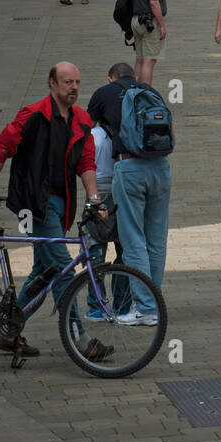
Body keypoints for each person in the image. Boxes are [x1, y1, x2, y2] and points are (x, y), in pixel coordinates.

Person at [0, 63, 111, 363]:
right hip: (32, 204)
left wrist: (94, 200)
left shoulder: (81, 119)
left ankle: (9, 331)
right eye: (67, 82)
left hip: (61, 203)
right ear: (52, 83)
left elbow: (86, 162)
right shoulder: (33, 115)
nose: (74, 87)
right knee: (63, 269)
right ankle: (80, 339)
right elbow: (2, 148)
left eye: (77, 82)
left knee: (45, 269)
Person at [110, 64, 172, 325]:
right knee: (156, 241)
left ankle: (145, 308)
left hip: (130, 167)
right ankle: (154, 304)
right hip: (161, 167)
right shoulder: (151, 92)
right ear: (134, 77)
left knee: (133, 239)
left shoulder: (107, 93)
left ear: (111, 78)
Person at [84, 63, 136, 320]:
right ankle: (122, 305)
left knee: (95, 249)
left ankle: (96, 307)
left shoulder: (92, 135)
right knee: (123, 248)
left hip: (97, 189)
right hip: (122, 185)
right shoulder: (124, 133)